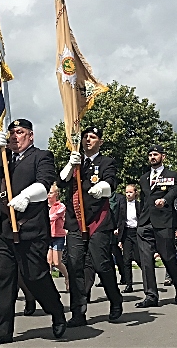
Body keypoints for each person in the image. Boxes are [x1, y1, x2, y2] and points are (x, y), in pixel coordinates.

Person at [0, 119, 66, 345]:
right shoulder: (2, 157)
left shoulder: (42, 156)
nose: (15, 137)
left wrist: (26, 196)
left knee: (34, 276)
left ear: (31, 135)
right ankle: (1, 332)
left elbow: (44, 185)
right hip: (2, 228)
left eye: (20, 132)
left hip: (30, 227)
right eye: (12, 133)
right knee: (3, 279)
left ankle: (56, 311)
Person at [58, 126, 122, 327]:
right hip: (76, 221)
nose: (87, 140)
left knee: (101, 264)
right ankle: (78, 312)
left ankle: (115, 300)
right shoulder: (77, 162)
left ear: (100, 142)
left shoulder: (106, 162)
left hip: (98, 220)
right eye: (85, 137)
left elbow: (111, 183)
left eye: (92, 137)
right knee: (75, 265)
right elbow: (61, 182)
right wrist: (70, 165)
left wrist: (101, 188)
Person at [135, 145, 177, 307]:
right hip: (145, 223)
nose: (152, 157)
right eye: (150, 155)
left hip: (163, 223)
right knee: (146, 260)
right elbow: (143, 200)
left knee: (168, 257)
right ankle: (151, 296)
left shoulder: (172, 175)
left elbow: (175, 190)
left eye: (155, 154)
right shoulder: (143, 178)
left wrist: (165, 200)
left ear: (163, 156)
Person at [117, 184, 141, 293]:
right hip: (126, 232)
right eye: (127, 192)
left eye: (130, 192)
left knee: (138, 258)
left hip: (136, 232)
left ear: (135, 193)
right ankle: (128, 284)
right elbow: (119, 219)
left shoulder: (139, 205)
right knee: (126, 260)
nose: (128, 194)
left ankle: (147, 281)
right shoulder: (122, 205)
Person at [47, 183, 69, 291]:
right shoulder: (44, 206)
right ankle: (48, 286)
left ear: (56, 194)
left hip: (58, 236)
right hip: (48, 236)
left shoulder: (61, 206)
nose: (48, 195)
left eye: (51, 193)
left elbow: (53, 217)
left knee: (57, 262)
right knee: (48, 261)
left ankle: (67, 277)